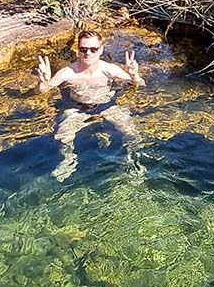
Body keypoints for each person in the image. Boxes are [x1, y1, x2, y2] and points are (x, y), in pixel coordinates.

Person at [35, 30, 146, 181]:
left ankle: (134, 160)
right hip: (77, 109)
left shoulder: (109, 69)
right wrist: (43, 82)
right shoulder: (67, 73)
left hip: (107, 106)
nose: (88, 53)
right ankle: (68, 160)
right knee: (62, 136)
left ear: (100, 50)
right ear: (78, 50)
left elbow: (140, 84)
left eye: (93, 49)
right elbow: (43, 91)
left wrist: (134, 75)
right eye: (83, 49)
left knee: (132, 132)